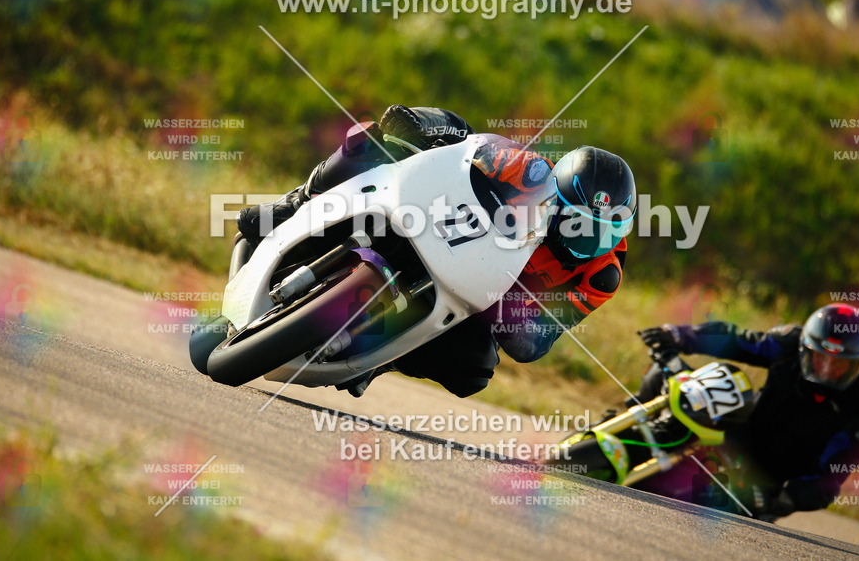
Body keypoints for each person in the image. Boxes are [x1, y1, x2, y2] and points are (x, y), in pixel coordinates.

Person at [236, 104, 637, 397]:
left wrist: (512, 316)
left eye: (600, 233)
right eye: (576, 221)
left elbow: (540, 342)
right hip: (442, 221)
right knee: (380, 137)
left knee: (474, 370)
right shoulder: (532, 171)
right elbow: (467, 141)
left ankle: (379, 357)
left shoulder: (602, 276)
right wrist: (418, 124)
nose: (585, 239)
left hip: (476, 296)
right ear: (557, 199)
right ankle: (299, 201)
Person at [637, 303, 859, 520]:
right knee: (684, 379)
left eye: (839, 363)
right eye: (821, 358)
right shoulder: (790, 345)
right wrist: (680, 335)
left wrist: (784, 498)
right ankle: (629, 423)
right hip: (741, 433)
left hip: (765, 484)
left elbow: (828, 481)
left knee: (690, 506)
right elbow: (739, 341)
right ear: (806, 349)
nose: (827, 370)